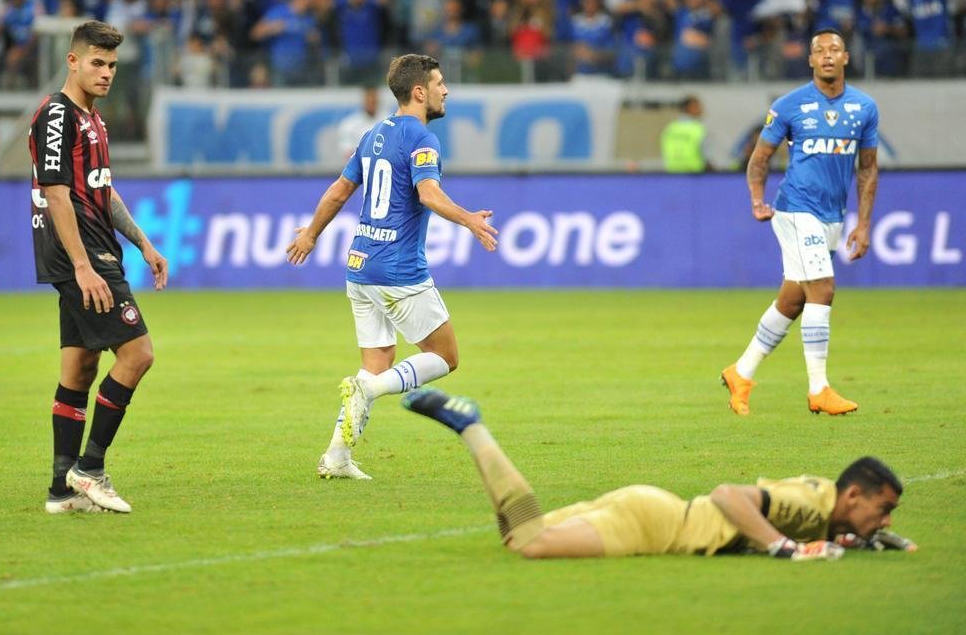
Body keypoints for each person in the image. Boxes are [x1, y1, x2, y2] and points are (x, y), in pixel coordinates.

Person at [286, 54, 499, 480]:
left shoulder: (373, 135)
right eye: (439, 83)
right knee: (445, 356)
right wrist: (469, 219)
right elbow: (429, 195)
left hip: (360, 267)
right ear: (418, 92)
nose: (445, 90)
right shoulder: (422, 139)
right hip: (399, 272)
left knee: (378, 361)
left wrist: (311, 232)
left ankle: (336, 457)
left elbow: (339, 190)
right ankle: (369, 390)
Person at [402, 387, 916, 559]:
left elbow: (831, 529)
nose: (886, 518)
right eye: (883, 509)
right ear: (853, 494)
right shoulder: (808, 507)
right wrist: (784, 548)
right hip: (654, 526)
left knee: (518, 534)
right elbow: (729, 497)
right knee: (529, 543)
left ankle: (469, 426)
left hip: (652, 508)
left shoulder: (824, 499)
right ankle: (471, 427)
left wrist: (867, 539)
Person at [28, 20, 169, 514]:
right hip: (82, 257)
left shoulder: (94, 119)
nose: (106, 73)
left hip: (94, 251)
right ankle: (90, 469)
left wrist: (145, 243)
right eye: (97, 63)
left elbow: (101, 191)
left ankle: (61, 490)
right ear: (73, 61)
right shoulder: (56, 115)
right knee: (138, 355)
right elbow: (57, 193)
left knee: (80, 366)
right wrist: (84, 268)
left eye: (111, 65)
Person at [721, 28, 879, 416]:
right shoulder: (789, 106)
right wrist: (758, 200)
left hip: (832, 216)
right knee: (822, 289)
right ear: (810, 60)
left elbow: (868, 168)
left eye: (835, 49)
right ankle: (818, 388)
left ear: (846, 58)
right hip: (795, 210)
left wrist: (863, 224)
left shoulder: (864, 108)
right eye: (819, 50)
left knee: (792, 299)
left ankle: (740, 372)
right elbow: (759, 159)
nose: (827, 55)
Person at [660, 94, 711, 173]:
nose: (701, 110)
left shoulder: (670, 128)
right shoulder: (698, 129)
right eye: (698, 106)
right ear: (690, 108)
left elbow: (664, 151)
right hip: (695, 175)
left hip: (672, 174)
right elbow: (706, 156)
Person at [335, 86, 389, 161]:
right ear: (364, 101)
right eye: (368, 100)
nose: (371, 104)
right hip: (360, 168)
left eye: (373, 100)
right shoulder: (349, 125)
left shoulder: (389, 122)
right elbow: (347, 153)